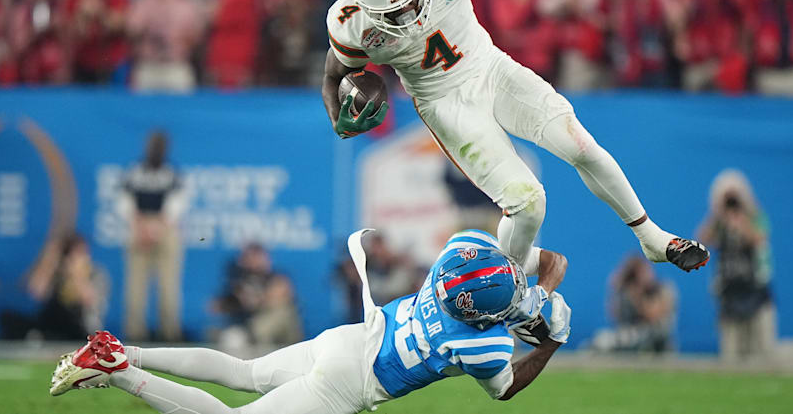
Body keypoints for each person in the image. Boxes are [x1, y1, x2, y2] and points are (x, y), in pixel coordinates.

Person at [320, 0, 709, 277]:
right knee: (527, 203)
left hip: (491, 67)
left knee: (581, 145)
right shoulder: (349, 22)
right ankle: (513, 286)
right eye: (394, 13)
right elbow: (333, 77)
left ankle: (651, 237)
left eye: (410, 1)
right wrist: (339, 120)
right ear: (365, 4)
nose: (408, 15)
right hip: (446, 103)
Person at [48, 229, 571, 413]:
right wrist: (551, 340)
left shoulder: (461, 250)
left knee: (242, 372)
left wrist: (538, 291)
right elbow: (504, 389)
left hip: (350, 339)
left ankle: (123, 349)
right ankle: (117, 368)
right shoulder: (487, 348)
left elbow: (515, 268)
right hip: (351, 383)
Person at [697, 169, 776, 362]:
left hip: (756, 292)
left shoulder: (755, 217)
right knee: (731, 355)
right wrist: (717, 214)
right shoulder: (719, 222)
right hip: (730, 294)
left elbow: (760, 240)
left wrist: (743, 220)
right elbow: (702, 239)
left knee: (763, 353)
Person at [118, 131, 186, 342]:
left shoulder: (172, 173)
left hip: (165, 227)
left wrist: (158, 227)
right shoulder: (135, 171)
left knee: (168, 285)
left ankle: (170, 332)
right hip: (139, 226)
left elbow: (177, 204)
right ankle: (135, 333)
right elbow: (124, 201)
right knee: (135, 285)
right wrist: (140, 226)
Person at [212, 244, 303, 351]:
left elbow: (280, 297)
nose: (254, 261)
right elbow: (216, 306)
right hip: (243, 327)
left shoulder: (277, 277)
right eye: (249, 257)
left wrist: (259, 299)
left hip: (271, 327)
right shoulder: (238, 279)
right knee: (233, 338)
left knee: (281, 313)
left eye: (257, 256)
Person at [590, 256, 676, 353]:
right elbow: (615, 315)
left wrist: (637, 297)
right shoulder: (627, 291)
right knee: (602, 339)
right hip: (631, 335)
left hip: (658, 338)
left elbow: (653, 316)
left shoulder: (663, 288)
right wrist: (618, 286)